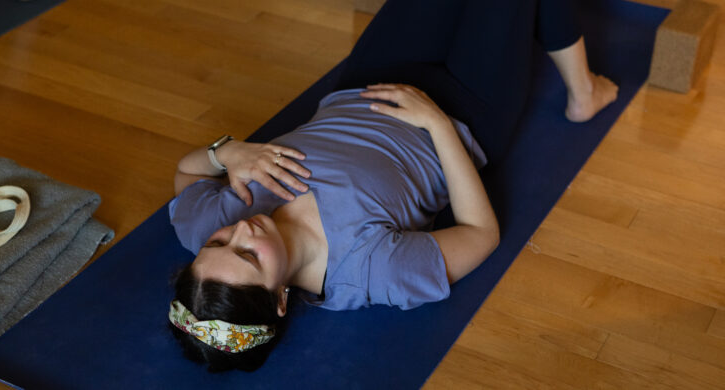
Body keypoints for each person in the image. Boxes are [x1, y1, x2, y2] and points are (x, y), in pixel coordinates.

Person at [167, 0, 618, 372]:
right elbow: (482, 234)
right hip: (466, 111)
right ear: (281, 299)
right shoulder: (371, 272)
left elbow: (186, 175)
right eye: (249, 256)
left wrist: (225, 153)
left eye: (219, 241)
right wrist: (437, 124)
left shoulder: (210, 227)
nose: (241, 232)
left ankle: (581, 87)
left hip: (368, 84)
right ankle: (583, 92)